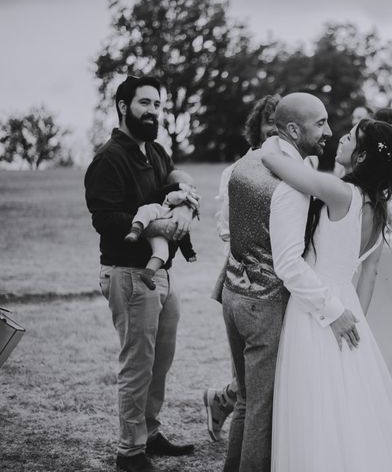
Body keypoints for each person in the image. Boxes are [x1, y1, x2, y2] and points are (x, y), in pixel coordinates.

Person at [264, 118, 392, 472]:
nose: (339, 138)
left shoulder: (341, 192)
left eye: (349, 137)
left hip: (316, 306)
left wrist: (271, 143)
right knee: (349, 404)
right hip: (349, 306)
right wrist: (357, 320)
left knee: (316, 405)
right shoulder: (378, 207)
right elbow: (369, 272)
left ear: (360, 158)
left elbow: (277, 164)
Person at [221, 93, 358, 471]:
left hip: (233, 294)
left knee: (247, 401)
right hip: (262, 305)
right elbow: (289, 266)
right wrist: (333, 310)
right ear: (294, 130)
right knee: (262, 410)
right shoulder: (290, 188)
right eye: (321, 124)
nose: (329, 130)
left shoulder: (247, 161)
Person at [84, 76, 195, 472]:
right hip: (128, 274)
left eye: (157, 104)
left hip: (160, 273)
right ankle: (129, 452)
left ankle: (149, 432)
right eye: (144, 103)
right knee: (137, 365)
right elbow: (104, 218)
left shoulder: (156, 151)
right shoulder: (110, 158)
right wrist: (154, 227)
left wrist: (184, 203)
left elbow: (173, 181)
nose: (153, 111)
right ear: (123, 106)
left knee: (159, 362)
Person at [203, 94, 280, 443]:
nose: (274, 129)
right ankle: (222, 402)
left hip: (278, 279)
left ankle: (220, 401)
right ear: (256, 126)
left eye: (280, 122)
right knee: (254, 378)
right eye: (268, 121)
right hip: (246, 276)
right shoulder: (237, 171)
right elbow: (226, 229)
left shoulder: (296, 168)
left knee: (262, 374)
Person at [124, 181, 200, 289]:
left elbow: (183, 235)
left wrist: (189, 253)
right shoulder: (161, 200)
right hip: (155, 214)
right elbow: (161, 191)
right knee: (146, 210)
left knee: (163, 253)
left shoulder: (179, 214)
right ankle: (135, 231)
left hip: (160, 235)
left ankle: (148, 273)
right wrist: (178, 185)